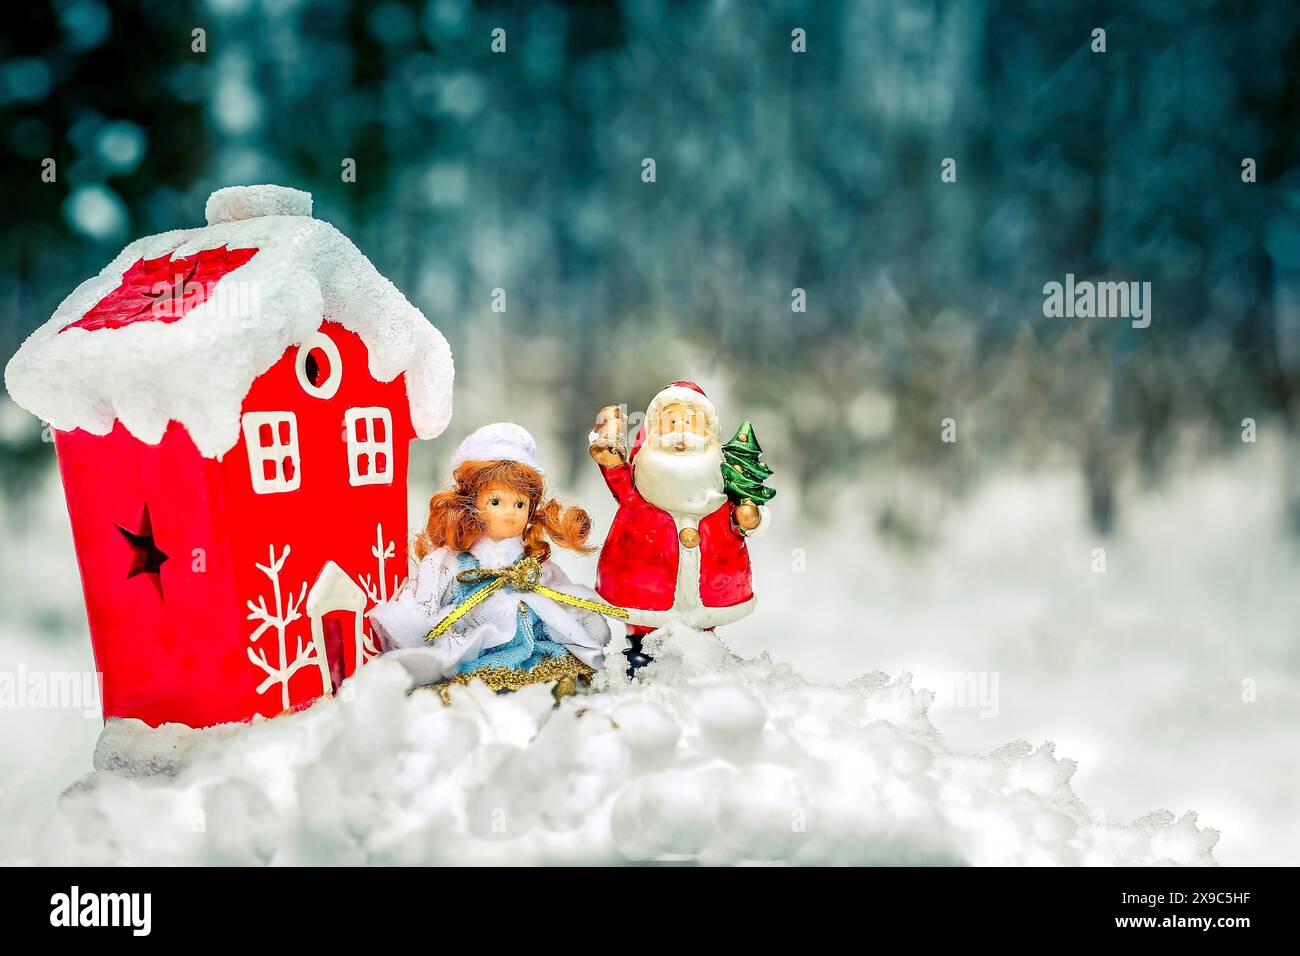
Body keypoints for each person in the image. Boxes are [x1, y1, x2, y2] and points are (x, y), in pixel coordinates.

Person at [371, 422, 615, 694]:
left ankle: (554, 685)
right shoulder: (455, 563)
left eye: (520, 504)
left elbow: (556, 588)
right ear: (471, 504)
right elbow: (428, 600)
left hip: (531, 635)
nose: (510, 513)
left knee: (551, 654)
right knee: (478, 667)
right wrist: (412, 630)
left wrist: (573, 613)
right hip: (482, 640)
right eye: (496, 502)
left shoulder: (529, 561)